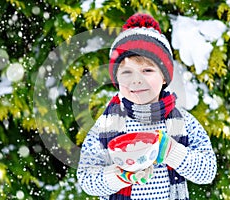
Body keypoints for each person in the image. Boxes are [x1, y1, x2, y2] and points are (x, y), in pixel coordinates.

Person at [77, 13, 217, 200]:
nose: (137, 80)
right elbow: (86, 178)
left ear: (164, 77)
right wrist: (119, 176)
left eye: (147, 70)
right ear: (117, 80)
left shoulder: (183, 122)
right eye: (127, 72)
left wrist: (172, 152)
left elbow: (207, 171)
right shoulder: (107, 124)